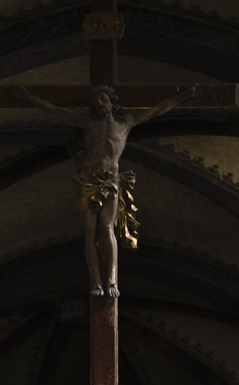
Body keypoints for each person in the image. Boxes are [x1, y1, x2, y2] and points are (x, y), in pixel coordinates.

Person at [12, 81, 196, 297]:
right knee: (90, 231)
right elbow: (54, 110)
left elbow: (157, 110)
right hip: (87, 181)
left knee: (108, 229)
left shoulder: (125, 123)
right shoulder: (88, 124)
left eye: (102, 98)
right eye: (95, 100)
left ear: (111, 101)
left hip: (111, 182)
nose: (99, 103)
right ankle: (96, 282)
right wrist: (27, 97)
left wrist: (184, 96)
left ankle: (111, 280)